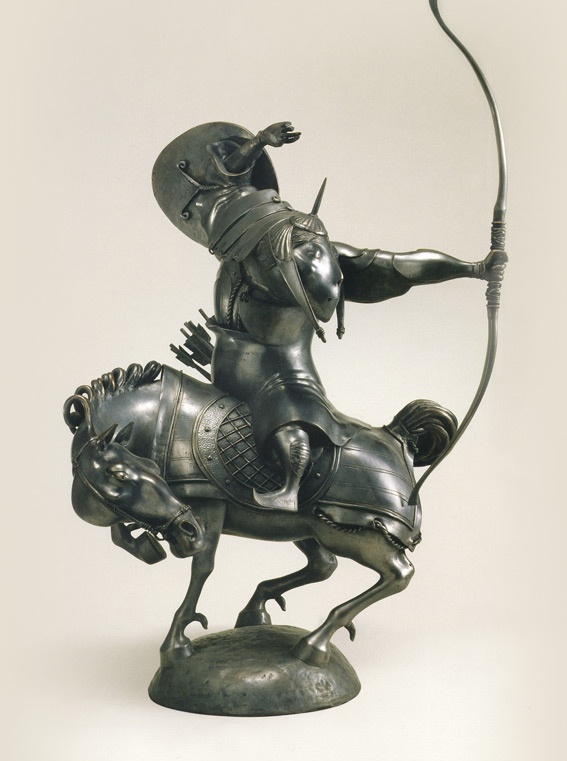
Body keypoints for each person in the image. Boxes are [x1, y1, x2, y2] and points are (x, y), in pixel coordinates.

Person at [153, 121, 507, 512]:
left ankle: (289, 488)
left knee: (288, 421)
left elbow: (396, 266)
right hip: (229, 377)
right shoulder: (238, 261)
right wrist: (256, 144)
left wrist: (474, 269)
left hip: (282, 379)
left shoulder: (290, 256)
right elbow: (221, 176)